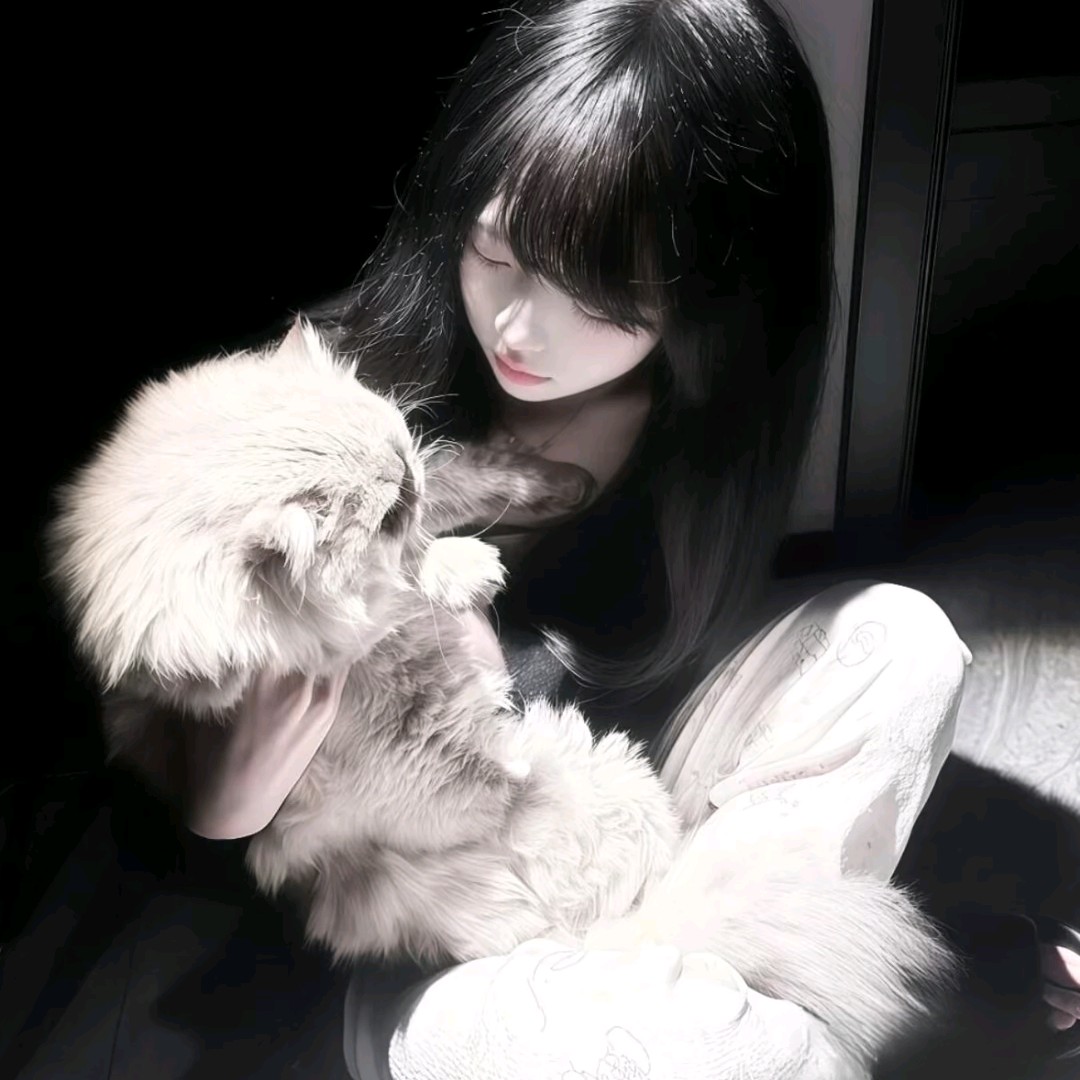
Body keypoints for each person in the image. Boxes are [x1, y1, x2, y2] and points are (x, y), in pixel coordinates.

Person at [178, 0, 1079, 1075]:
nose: (520, 327)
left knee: (904, 640)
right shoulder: (335, 400)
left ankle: (765, 1001)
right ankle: (857, 998)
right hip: (428, 935)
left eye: (601, 298)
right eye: (495, 252)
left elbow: (650, 699)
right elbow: (188, 746)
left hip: (619, 838)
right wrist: (226, 800)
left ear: (712, 298)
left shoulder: (693, 434)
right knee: (644, 1039)